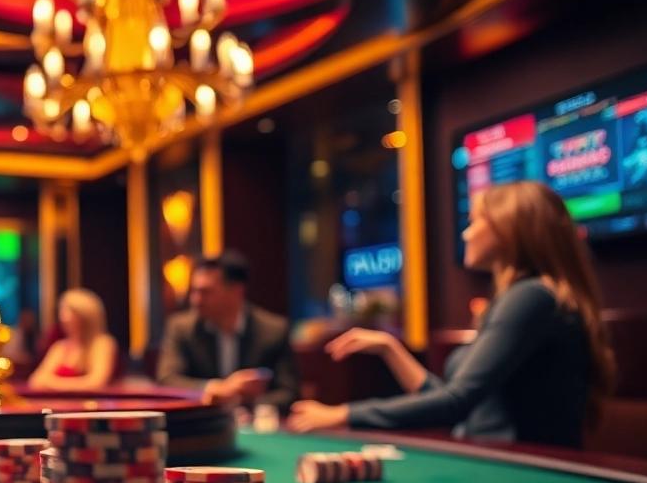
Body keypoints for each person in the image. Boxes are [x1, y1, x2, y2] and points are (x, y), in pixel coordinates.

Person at [287, 180, 615, 449]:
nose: (466, 233)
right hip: (499, 468)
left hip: (528, 478)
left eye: (476, 221)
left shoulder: (531, 297)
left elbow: (455, 402)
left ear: (511, 229)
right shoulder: (524, 298)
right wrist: (390, 348)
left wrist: (341, 414)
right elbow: (456, 403)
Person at [156, 252, 300, 411]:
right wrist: (217, 388)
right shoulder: (181, 327)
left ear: (237, 292)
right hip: (204, 425)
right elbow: (167, 380)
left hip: (256, 427)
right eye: (194, 291)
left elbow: (290, 393)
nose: (195, 300)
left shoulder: (274, 330)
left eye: (206, 292)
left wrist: (241, 403)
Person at [28, 288, 118, 391]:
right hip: (59, 405)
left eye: (68, 311)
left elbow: (96, 382)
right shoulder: (61, 346)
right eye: (62, 310)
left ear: (84, 315)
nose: (62, 317)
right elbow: (36, 380)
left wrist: (51, 383)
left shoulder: (102, 344)